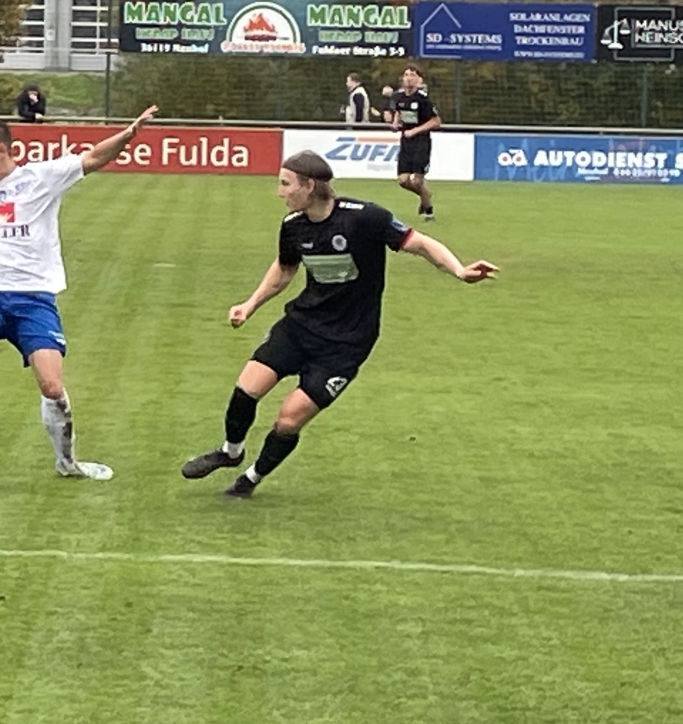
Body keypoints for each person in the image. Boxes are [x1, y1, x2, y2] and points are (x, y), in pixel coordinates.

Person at [181, 150, 498, 498]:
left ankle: (250, 480)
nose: (279, 192)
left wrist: (459, 270)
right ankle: (230, 452)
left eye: (285, 184)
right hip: (301, 325)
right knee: (247, 387)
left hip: (346, 343)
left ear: (309, 185)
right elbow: (285, 268)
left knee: (288, 419)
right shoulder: (293, 225)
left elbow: (420, 244)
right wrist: (250, 304)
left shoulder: (365, 218)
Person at [0, 105, 160, 481]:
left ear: (1, 149)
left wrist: (130, 133)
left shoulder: (42, 177)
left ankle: (67, 462)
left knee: (52, 387)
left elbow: (93, 157)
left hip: (34, 298)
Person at [384, 64, 440, 221]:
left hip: (421, 142)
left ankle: (429, 211)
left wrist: (415, 131)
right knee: (403, 180)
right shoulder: (398, 97)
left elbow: (436, 121)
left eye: (412, 75)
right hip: (406, 142)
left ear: (418, 79)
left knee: (416, 181)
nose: (408, 78)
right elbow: (399, 114)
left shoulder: (423, 99)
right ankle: (425, 194)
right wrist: (395, 123)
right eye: (406, 74)